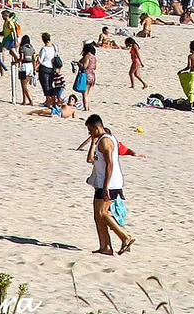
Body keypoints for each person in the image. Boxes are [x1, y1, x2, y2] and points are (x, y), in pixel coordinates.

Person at [84, 114, 134, 256]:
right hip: (101, 182)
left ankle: (125, 236)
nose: (89, 133)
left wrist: (106, 186)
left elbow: (109, 165)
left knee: (102, 213)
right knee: (97, 215)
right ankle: (105, 246)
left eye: (90, 130)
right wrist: (93, 141)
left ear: (97, 127)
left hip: (109, 182)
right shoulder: (99, 140)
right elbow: (90, 159)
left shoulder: (105, 141)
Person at [37, 32, 59, 103]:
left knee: (45, 85)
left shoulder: (44, 49)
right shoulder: (54, 47)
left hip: (44, 67)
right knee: (50, 84)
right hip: (52, 67)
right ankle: (50, 100)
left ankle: (48, 100)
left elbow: (40, 60)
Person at [75, 42, 97, 111]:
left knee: (84, 93)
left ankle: (86, 108)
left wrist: (78, 63)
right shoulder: (94, 57)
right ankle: (89, 107)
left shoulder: (87, 56)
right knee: (88, 93)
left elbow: (85, 66)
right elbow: (95, 67)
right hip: (92, 75)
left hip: (86, 75)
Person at [16, 34, 36, 105]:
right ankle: (24, 101)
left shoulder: (22, 48)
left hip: (24, 65)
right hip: (30, 66)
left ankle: (30, 100)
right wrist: (34, 68)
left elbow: (21, 58)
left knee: (23, 85)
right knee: (25, 84)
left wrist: (16, 61)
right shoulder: (32, 48)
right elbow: (34, 59)